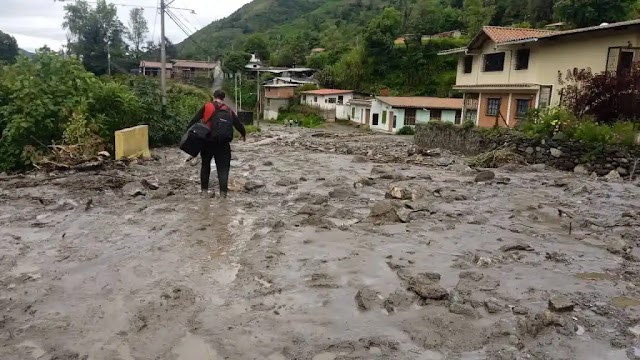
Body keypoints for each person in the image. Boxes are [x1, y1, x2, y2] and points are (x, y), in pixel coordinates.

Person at [187, 89, 246, 198]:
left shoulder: (207, 106)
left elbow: (194, 120)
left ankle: (204, 191)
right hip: (223, 144)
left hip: (207, 142)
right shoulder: (229, 110)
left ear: (213, 97)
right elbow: (238, 125)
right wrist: (243, 135)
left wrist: (188, 134)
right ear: (223, 98)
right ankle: (223, 194)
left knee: (205, 166)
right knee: (223, 169)